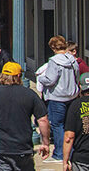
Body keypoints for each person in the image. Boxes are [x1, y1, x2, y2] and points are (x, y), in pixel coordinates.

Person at [0, 61, 51, 171]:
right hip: (22, 149)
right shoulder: (29, 94)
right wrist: (45, 143)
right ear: (19, 76)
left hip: (0, 150)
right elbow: (43, 120)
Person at [40, 35, 82, 163]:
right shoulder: (72, 60)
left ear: (53, 48)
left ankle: (59, 153)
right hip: (72, 96)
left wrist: (41, 78)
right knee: (70, 124)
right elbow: (77, 75)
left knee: (58, 125)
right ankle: (72, 150)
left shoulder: (54, 61)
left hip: (57, 97)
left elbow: (50, 79)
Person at [62, 72, 89, 170]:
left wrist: (65, 160)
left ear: (80, 86)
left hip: (82, 159)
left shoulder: (75, 105)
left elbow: (69, 136)